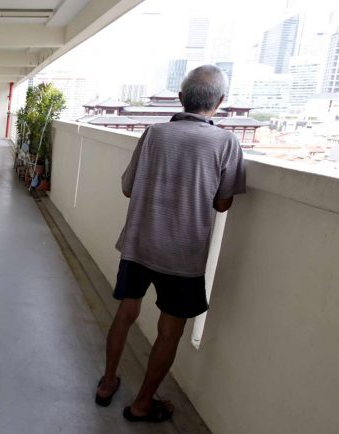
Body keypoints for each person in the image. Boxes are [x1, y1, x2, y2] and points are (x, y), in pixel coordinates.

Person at [95, 65, 246, 423]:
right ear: (220, 103)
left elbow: (129, 187)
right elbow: (223, 202)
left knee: (125, 313)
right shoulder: (227, 142)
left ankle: (107, 382)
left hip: (139, 243)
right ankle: (142, 404)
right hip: (184, 255)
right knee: (169, 331)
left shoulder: (154, 133)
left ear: (180, 99)